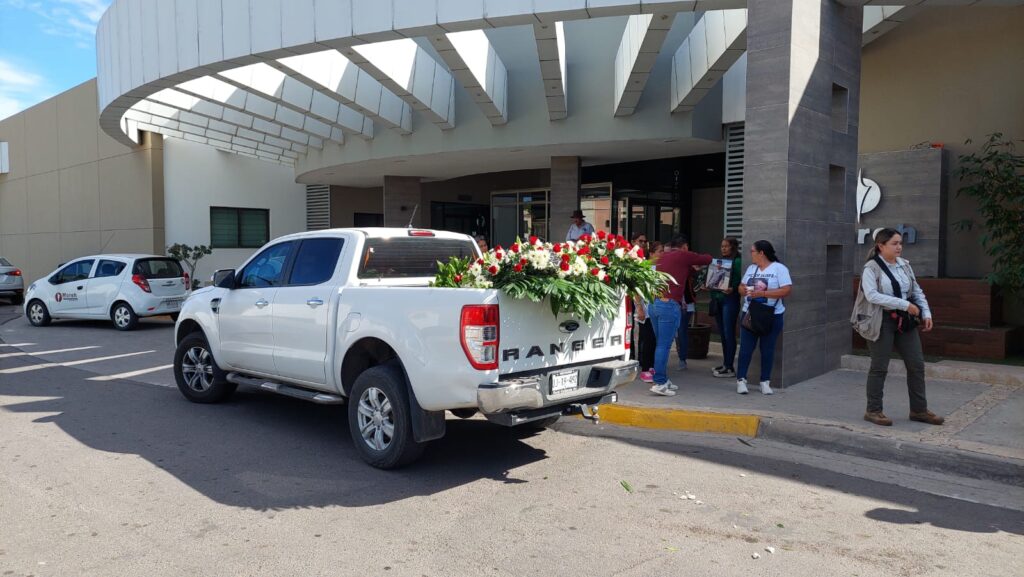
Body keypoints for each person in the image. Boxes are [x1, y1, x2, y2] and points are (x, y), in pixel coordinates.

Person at [857, 228, 943, 426]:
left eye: (900, 243)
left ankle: (919, 410)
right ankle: (873, 410)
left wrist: (926, 312)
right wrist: (905, 305)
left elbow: (916, 290)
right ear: (881, 246)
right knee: (879, 367)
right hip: (881, 320)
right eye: (894, 243)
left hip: (905, 321)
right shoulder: (871, 268)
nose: (899, 247)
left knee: (916, 365)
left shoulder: (904, 265)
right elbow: (872, 296)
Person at [648, 235, 712, 396]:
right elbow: (707, 259)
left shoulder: (662, 257)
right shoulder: (683, 255)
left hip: (653, 303)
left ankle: (663, 379)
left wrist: (691, 267)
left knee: (660, 344)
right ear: (684, 247)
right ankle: (660, 382)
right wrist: (695, 260)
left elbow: (680, 271)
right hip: (669, 305)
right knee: (664, 345)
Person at [736, 240, 792, 395]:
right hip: (750, 313)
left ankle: (765, 381)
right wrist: (744, 289)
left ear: (762, 253)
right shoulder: (751, 268)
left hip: (771, 315)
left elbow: (786, 290)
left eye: (752, 251)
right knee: (746, 349)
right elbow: (740, 287)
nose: (750, 254)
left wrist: (763, 293)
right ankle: (741, 380)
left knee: (767, 349)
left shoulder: (779, 269)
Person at [672, 237, 714, 371]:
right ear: (684, 247)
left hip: (684, 301)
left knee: (681, 330)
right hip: (676, 302)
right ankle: (681, 358)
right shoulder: (681, 259)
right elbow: (707, 258)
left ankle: (682, 358)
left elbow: (699, 270)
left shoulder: (684, 262)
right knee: (680, 330)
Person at [710, 237, 741, 378]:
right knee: (722, 333)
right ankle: (725, 363)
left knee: (729, 333)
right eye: (722, 246)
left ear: (733, 247)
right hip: (719, 300)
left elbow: (741, 280)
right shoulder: (719, 261)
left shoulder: (738, 261)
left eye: (726, 246)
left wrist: (733, 288)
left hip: (730, 300)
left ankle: (729, 366)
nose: (723, 249)